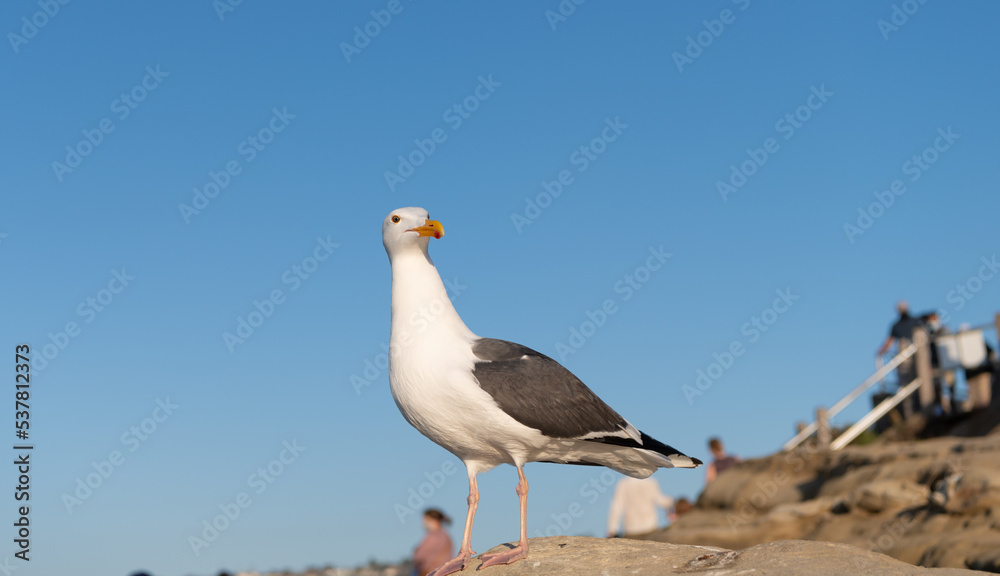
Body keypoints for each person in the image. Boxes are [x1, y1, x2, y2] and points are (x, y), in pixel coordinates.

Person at [607, 476, 674, 538]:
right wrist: (671, 502)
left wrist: (612, 529)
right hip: (650, 527)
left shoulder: (623, 483)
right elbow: (660, 501)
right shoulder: (651, 482)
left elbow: (617, 507)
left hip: (631, 528)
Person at [877, 301, 923, 387]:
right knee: (904, 373)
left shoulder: (916, 321)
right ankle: (905, 385)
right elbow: (890, 341)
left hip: (918, 353)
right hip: (904, 356)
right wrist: (882, 350)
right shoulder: (896, 326)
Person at [413, 508, 454, 576]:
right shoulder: (443, 535)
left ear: (434, 520)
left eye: (426, 519)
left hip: (432, 572)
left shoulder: (436, 536)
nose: (424, 522)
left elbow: (421, 556)